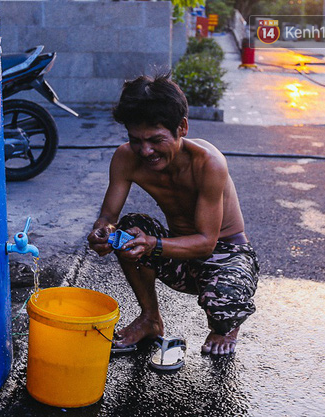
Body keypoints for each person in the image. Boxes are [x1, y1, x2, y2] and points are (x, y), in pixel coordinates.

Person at [87, 73, 259, 356]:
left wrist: (151, 244)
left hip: (224, 253)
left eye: (156, 139)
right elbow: (108, 216)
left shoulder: (208, 163)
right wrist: (103, 232)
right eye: (136, 140)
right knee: (129, 229)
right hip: (177, 254)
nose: (146, 150)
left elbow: (206, 242)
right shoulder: (125, 157)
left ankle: (224, 326)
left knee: (223, 301)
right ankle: (150, 318)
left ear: (182, 127)